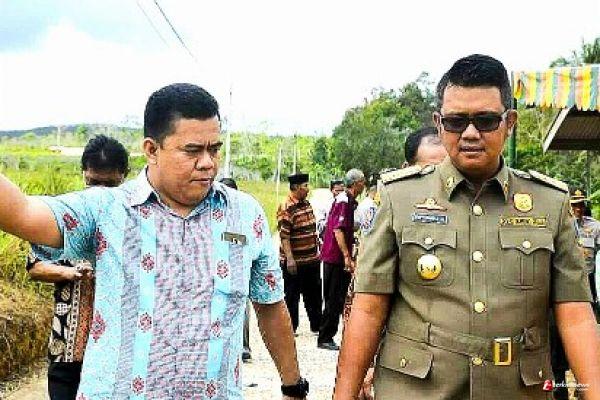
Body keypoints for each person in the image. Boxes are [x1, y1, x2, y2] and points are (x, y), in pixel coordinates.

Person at [2, 83, 308, 399]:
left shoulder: (244, 214)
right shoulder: (107, 210)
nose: (207, 163)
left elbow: (270, 304)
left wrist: (293, 385)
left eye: (214, 149)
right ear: (151, 150)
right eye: (192, 151)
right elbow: (22, 213)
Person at [334, 54, 600, 400]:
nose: (470, 133)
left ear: (510, 122)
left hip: (517, 390)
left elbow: (576, 315)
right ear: (439, 123)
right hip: (417, 391)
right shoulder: (399, 197)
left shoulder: (549, 203)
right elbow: (368, 308)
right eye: (456, 121)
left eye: (486, 120)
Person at [26, 135, 128, 400]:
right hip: (68, 343)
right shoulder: (65, 215)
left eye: (109, 185)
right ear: (84, 173)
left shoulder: (137, 220)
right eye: (94, 183)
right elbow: (34, 267)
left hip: (117, 350)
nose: (99, 193)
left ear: (125, 175)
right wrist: (68, 273)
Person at [550, 187, 600, 399]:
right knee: (556, 341)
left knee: (587, 334)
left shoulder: (594, 227)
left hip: (588, 283)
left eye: (581, 204)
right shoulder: (557, 223)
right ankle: (559, 386)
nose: (578, 208)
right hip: (560, 287)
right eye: (574, 205)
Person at [318, 168, 365, 351]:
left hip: (337, 257)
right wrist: (346, 256)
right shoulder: (343, 201)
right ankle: (325, 336)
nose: (364, 185)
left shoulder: (349, 201)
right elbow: (338, 230)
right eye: (362, 182)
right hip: (335, 257)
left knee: (337, 297)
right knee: (333, 298)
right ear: (356, 183)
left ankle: (329, 334)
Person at [277, 173, 322, 334]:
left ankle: (317, 325)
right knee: (292, 296)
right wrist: (290, 259)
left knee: (314, 294)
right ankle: (291, 328)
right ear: (296, 187)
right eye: (305, 186)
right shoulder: (286, 207)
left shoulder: (306, 204)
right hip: (295, 262)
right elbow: (284, 236)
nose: (308, 189)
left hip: (311, 259)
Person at [219, 177, 252, 363]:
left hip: (238, 272)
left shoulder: (243, 213)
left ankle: (244, 347)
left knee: (242, 310)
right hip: (216, 274)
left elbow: (246, 239)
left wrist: (222, 236)